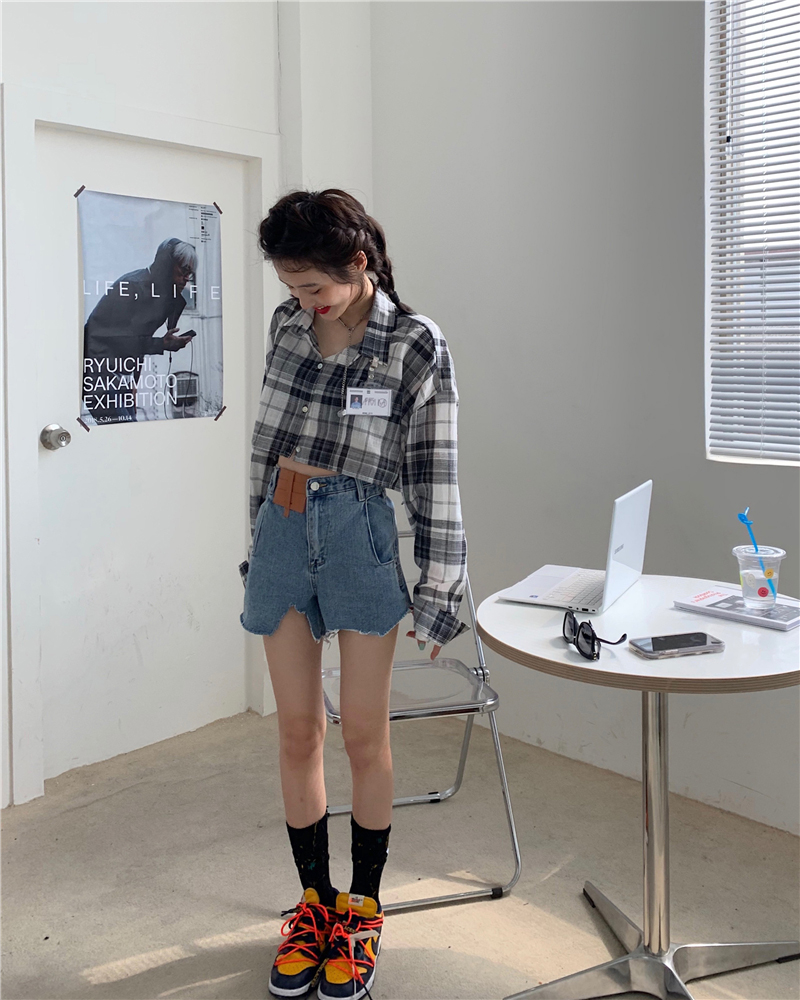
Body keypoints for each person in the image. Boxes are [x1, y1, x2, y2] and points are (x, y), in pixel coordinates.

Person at [241, 189, 467, 1000]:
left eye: (313, 286)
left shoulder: (415, 343)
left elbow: (434, 472)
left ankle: (362, 912)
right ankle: (314, 905)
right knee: (298, 732)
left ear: (359, 263)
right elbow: (264, 446)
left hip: (359, 534)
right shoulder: (287, 326)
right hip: (282, 526)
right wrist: (257, 545)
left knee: (365, 736)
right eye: (291, 287)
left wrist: (440, 584)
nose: (304, 301)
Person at [82, 237, 197, 423]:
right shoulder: (132, 287)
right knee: (124, 432)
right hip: (99, 373)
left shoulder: (159, 295)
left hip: (119, 376)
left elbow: (136, 345)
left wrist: (132, 386)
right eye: (183, 270)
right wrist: (161, 344)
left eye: (189, 274)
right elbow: (120, 339)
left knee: (127, 430)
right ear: (166, 264)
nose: (186, 278)